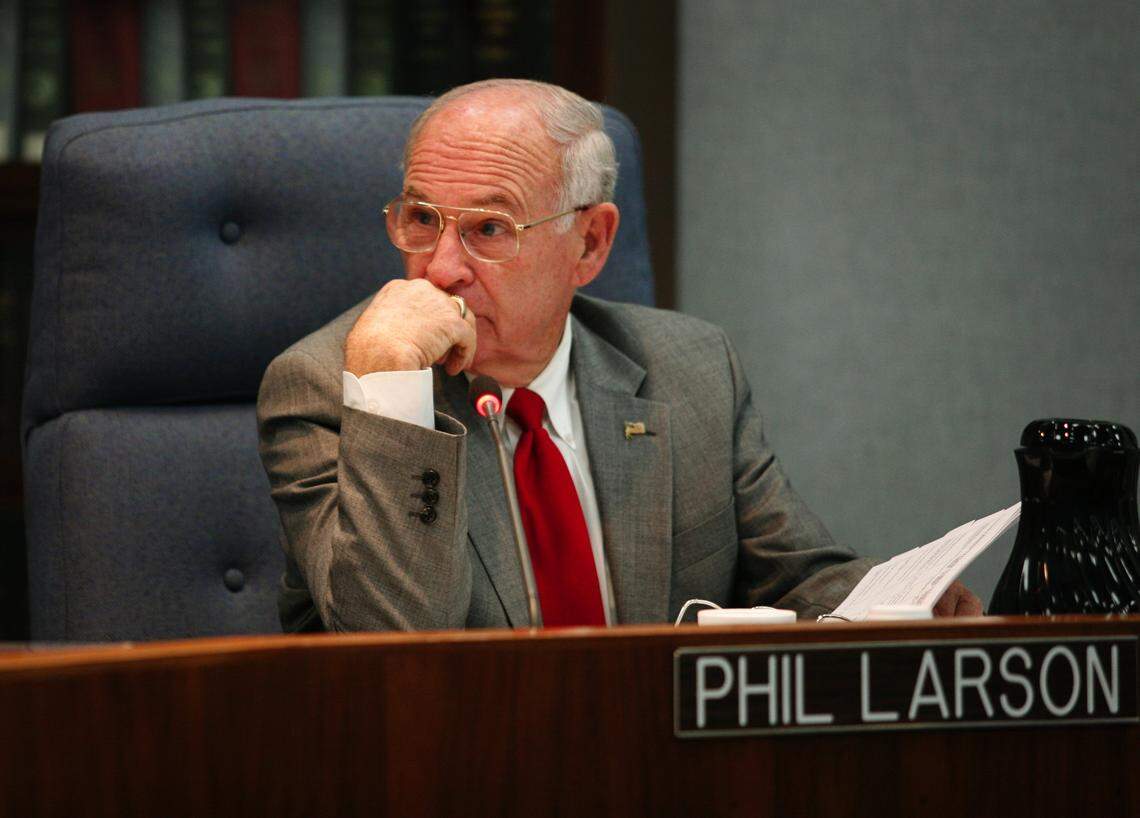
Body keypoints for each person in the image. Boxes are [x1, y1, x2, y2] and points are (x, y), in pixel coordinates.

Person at [257, 79, 980, 632]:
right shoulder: (327, 388)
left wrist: (907, 609)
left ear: (592, 244)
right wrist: (394, 395)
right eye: (421, 219)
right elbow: (398, 646)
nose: (441, 268)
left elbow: (794, 579)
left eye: (488, 227)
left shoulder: (690, 368)